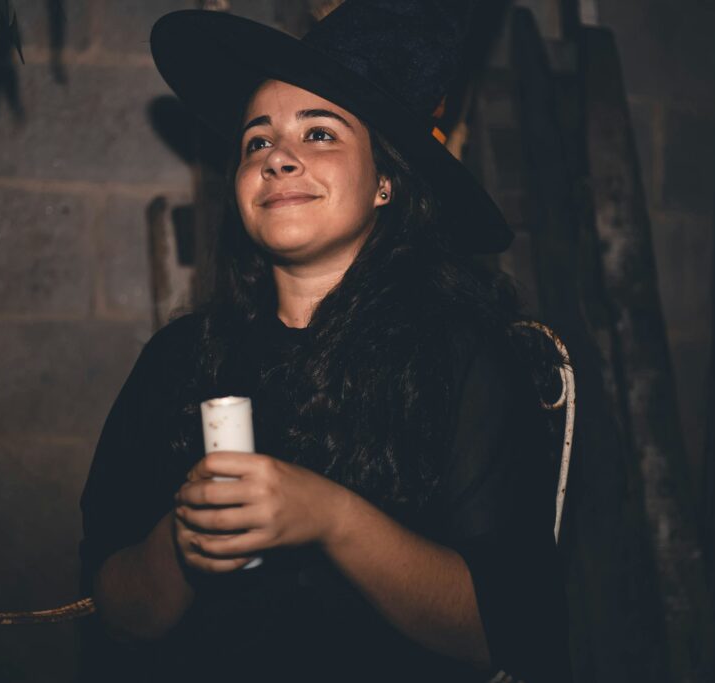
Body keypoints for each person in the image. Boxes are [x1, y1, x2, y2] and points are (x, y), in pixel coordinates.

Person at [79, 1, 572, 681]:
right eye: (257, 141)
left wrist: (332, 518)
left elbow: (509, 632)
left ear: (385, 183)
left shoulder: (461, 361)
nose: (278, 157)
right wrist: (188, 537)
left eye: (319, 134)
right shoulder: (177, 362)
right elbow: (119, 617)